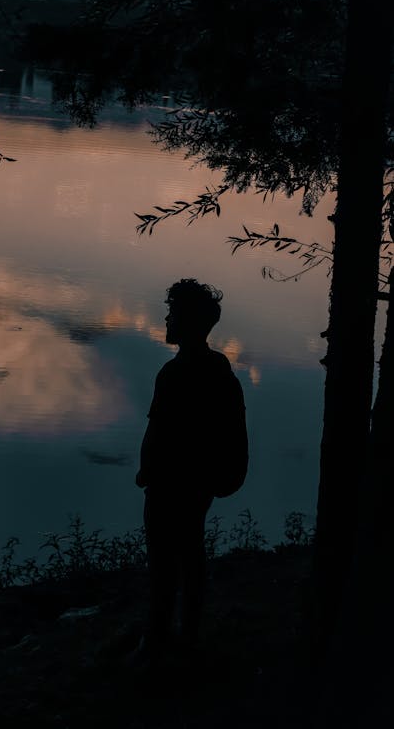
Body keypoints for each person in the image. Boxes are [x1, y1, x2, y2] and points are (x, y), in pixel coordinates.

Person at [133, 278, 248, 666]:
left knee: (163, 562)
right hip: (200, 483)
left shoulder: (175, 372)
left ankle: (156, 641)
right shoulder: (219, 368)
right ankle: (187, 634)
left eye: (172, 313)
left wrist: (146, 471)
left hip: (170, 482)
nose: (166, 319)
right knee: (191, 553)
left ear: (187, 321)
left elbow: (159, 429)